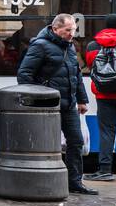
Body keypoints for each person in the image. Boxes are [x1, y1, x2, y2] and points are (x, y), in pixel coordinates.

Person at [18, 13, 97, 194]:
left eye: (74, 30)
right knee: (46, 145)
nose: (72, 34)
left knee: (76, 142)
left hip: (69, 104)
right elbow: (24, 75)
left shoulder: (69, 47)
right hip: (48, 106)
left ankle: (74, 182)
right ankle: (43, 183)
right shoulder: (39, 46)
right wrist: (39, 100)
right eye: (68, 30)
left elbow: (75, 74)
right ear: (55, 29)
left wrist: (82, 100)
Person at [85, 13, 116, 181]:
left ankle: (104, 170)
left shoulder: (92, 45)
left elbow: (91, 68)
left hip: (103, 95)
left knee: (106, 132)